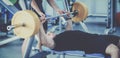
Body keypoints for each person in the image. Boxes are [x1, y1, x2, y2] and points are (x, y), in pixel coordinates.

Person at [22, 18, 120, 58]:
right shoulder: (55, 44)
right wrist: (39, 25)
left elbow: (70, 32)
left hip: (96, 37)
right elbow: (43, 40)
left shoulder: (62, 37)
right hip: (89, 43)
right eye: (48, 34)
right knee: (114, 50)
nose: (50, 32)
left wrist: (68, 18)